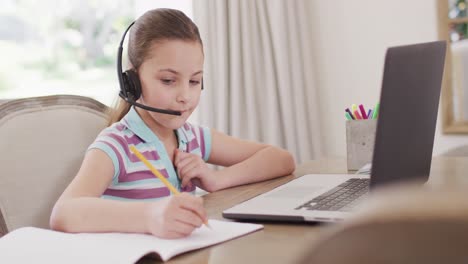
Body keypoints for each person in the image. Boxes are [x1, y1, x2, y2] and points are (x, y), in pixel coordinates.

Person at [50, 8, 295, 239]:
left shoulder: (193, 138)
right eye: (168, 80)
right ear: (132, 81)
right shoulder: (116, 145)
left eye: (194, 81)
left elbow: (281, 159)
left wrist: (216, 180)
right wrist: (149, 216)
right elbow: (63, 213)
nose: (184, 96)